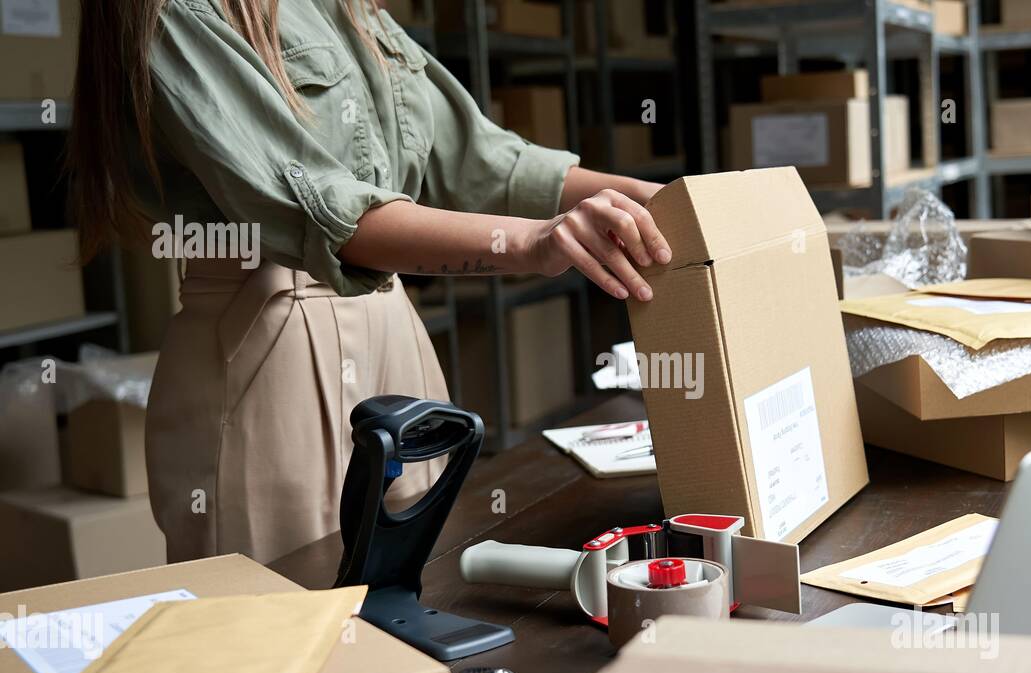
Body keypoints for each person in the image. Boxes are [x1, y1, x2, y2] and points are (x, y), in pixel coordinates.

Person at [68, 0, 671, 564]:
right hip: (271, 336)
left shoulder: (345, 7)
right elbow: (323, 210)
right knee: (294, 620)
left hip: (389, 317)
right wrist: (534, 242)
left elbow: (479, 158)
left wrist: (666, 200)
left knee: (422, 595)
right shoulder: (178, 11)